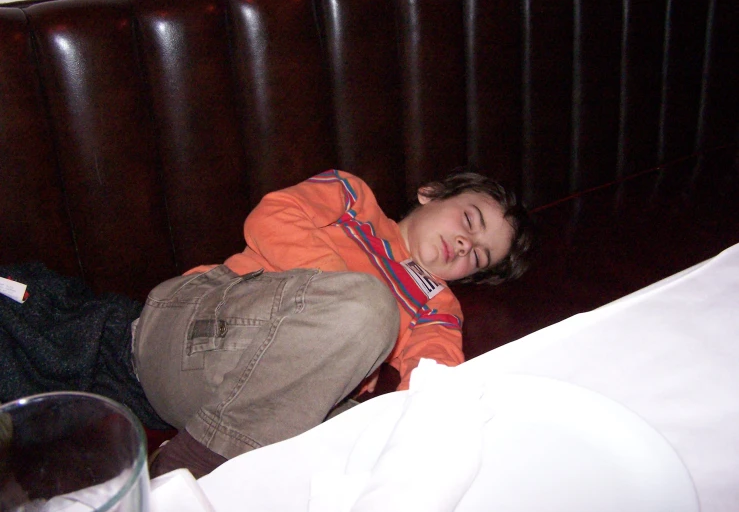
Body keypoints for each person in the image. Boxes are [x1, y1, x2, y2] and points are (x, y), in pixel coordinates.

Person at [133, 169, 533, 478]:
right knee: (368, 308)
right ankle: (195, 465)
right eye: (469, 219)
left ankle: (187, 470)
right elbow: (273, 214)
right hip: (190, 334)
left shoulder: (437, 304)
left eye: (478, 258)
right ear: (431, 193)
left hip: (234, 402)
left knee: (357, 448)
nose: (466, 245)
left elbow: (435, 373)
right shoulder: (353, 198)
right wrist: (345, 302)